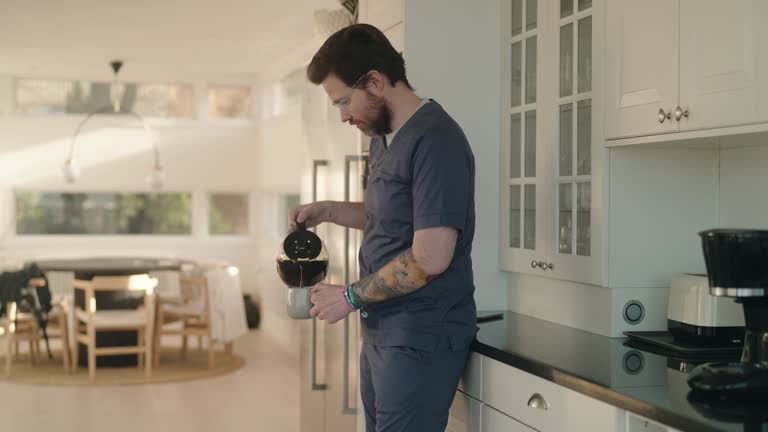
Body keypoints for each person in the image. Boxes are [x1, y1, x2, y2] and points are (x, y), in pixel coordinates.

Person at [288, 23, 476, 432]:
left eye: (343, 102)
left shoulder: (436, 140)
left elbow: (431, 256)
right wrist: (330, 211)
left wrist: (351, 297)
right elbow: (389, 218)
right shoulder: (383, 137)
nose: (343, 117)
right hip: (383, 330)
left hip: (420, 336)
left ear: (374, 81)